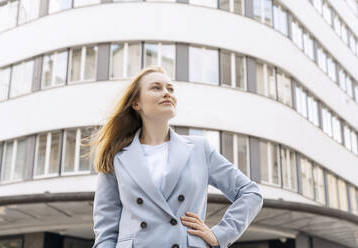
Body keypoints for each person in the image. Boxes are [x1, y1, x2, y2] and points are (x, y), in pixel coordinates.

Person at [88, 65, 263, 248]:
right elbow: (106, 230)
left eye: (170, 89)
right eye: (156, 87)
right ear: (136, 103)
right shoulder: (117, 157)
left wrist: (220, 234)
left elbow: (250, 192)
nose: (166, 93)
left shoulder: (199, 149)